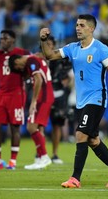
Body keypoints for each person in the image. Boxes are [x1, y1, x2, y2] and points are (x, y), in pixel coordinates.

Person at [39, 14, 108, 188]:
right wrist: (44, 39)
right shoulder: (73, 48)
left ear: (91, 28)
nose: (77, 28)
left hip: (96, 98)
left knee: (80, 134)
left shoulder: (100, 49)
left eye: (81, 25)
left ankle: (75, 178)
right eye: (77, 25)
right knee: (92, 140)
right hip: (81, 101)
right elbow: (49, 55)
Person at [0, 30, 30, 170]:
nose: (2, 41)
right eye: (1, 38)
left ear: (13, 39)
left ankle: (13, 161)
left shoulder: (22, 52)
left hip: (16, 94)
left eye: (5, 38)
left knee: (15, 127)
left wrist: (27, 76)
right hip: (1, 93)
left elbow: (33, 65)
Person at [8, 54, 54, 170]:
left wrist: (34, 101)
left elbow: (38, 78)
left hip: (42, 97)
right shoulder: (35, 58)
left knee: (31, 127)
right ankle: (39, 158)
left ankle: (44, 157)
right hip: (47, 96)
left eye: (18, 66)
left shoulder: (31, 60)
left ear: (17, 60)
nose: (20, 69)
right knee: (39, 128)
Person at [37, 36, 71, 164]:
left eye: (51, 45)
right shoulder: (37, 59)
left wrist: (66, 80)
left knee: (57, 125)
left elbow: (67, 76)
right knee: (40, 125)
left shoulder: (61, 60)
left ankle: (55, 154)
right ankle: (40, 152)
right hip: (42, 95)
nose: (49, 47)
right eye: (46, 45)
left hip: (58, 94)